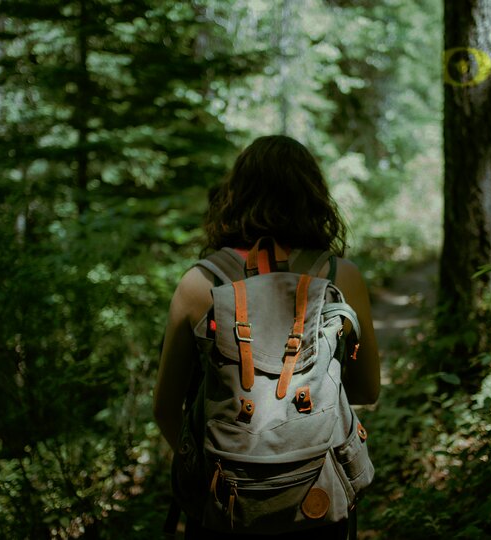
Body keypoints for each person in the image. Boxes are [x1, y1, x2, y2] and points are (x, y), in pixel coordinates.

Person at [153, 135, 380, 539]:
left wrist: (218, 466)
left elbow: (165, 408)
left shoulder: (199, 282)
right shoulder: (340, 277)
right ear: (313, 196)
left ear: (235, 195)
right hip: (318, 503)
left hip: (224, 506)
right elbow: (366, 389)